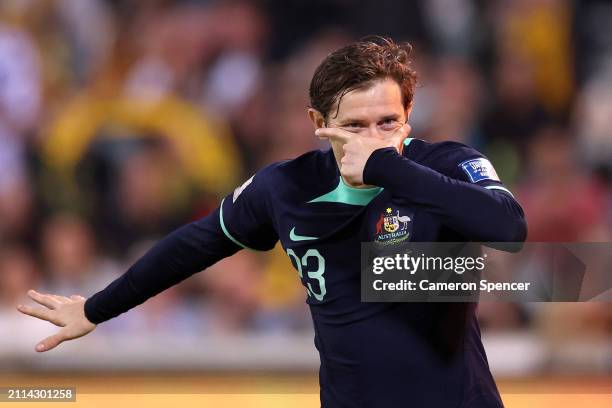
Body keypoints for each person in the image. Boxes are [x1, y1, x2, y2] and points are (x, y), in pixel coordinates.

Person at [18, 37, 527, 408]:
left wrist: (390, 167)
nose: (374, 138)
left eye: (388, 122)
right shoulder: (285, 188)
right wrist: (97, 309)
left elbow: (509, 229)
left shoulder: (446, 165)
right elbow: (192, 246)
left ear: (409, 114)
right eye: (354, 126)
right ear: (317, 124)